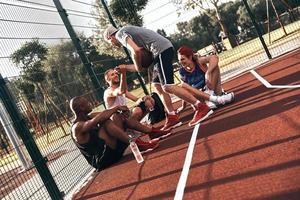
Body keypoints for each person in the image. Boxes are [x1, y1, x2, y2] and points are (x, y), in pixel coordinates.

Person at [104, 25, 213, 127]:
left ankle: (201, 107)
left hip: (160, 50)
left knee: (167, 86)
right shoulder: (126, 31)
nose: (112, 44)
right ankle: (172, 116)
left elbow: (136, 51)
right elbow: (140, 66)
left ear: (110, 37)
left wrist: (137, 66)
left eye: (110, 42)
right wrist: (125, 68)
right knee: (157, 86)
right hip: (159, 51)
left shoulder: (120, 34)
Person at [70, 96, 169, 171]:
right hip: (102, 159)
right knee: (106, 122)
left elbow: (107, 113)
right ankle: (135, 143)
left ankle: (151, 132)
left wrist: (121, 112)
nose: (90, 103)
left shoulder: (89, 115)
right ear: (81, 107)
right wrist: (116, 107)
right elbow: (101, 118)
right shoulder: (76, 127)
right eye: (87, 102)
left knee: (116, 116)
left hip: (113, 150)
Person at [176, 45, 234, 113]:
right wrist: (183, 106)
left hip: (211, 89)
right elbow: (186, 91)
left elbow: (214, 57)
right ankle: (219, 99)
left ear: (190, 57)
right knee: (183, 85)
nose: (181, 62)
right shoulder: (182, 72)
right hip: (201, 96)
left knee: (215, 67)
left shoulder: (199, 62)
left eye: (182, 59)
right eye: (179, 60)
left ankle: (212, 98)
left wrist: (208, 73)